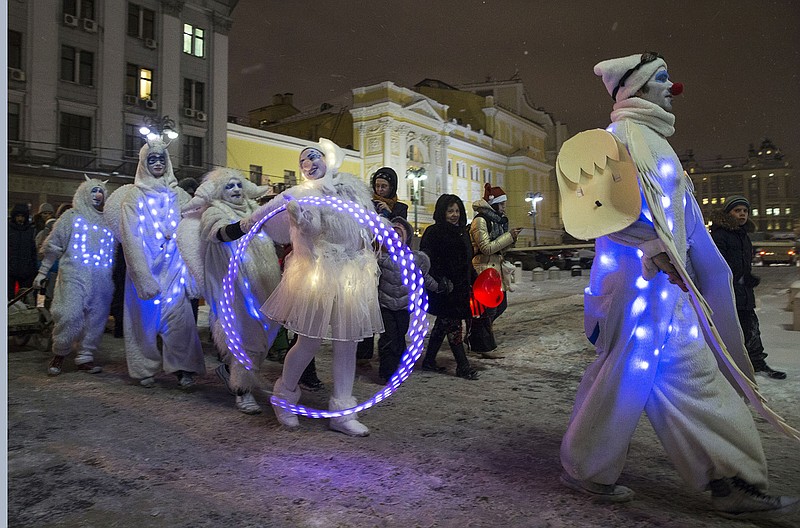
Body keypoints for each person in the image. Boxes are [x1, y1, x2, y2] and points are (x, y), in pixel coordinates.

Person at [558, 52, 798, 518]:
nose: (672, 87)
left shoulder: (656, 142)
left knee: (692, 375)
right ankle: (586, 467)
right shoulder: (617, 138)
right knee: (624, 376)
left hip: (672, 288)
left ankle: (731, 480)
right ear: (638, 88)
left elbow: (681, 218)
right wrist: (653, 248)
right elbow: (598, 215)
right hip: (636, 288)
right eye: (662, 79)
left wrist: (695, 264)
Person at [245, 138, 383, 435]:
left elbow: (368, 225)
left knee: (347, 343)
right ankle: (283, 397)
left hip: (353, 273)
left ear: (327, 160)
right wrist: (301, 219)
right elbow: (269, 216)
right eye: (302, 162)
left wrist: (382, 228)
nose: (308, 165)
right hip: (319, 274)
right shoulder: (301, 195)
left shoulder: (350, 189)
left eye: (313, 158)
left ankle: (343, 413)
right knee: (309, 340)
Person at [104, 139, 205, 389]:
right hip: (146, 268)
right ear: (144, 163)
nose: (158, 163)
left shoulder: (179, 195)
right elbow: (130, 237)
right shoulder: (133, 197)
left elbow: (192, 231)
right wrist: (141, 275)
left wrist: (192, 271)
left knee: (180, 319)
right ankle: (144, 368)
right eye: (152, 159)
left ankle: (183, 368)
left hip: (174, 269)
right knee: (142, 321)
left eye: (161, 159)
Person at [180, 168, 282, 414]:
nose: (236, 190)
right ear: (219, 192)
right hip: (232, 288)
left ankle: (231, 373)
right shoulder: (214, 211)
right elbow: (219, 233)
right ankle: (242, 391)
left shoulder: (251, 208)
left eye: (238, 185)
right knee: (242, 336)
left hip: (261, 286)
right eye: (229, 186)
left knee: (261, 337)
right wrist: (244, 225)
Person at [34, 177, 115, 375]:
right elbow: (53, 245)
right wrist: (43, 272)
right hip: (73, 275)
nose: (97, 195)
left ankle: (85, 356)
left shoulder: (110, 221)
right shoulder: (71, 217)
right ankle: (59, 353)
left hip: (102, 278)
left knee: (96, 319)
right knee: (69, 315)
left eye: (101, 191)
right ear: (84, 194)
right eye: (93, 191)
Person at [711, 196, 786, 379]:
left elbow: (745, 264)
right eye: (737, 210)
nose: (742, 214)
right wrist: (741, 278)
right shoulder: (720, 235)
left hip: (744, 292)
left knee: (752, 328)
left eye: (745, 211)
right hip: (728, 293)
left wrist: (747, 279)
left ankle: (757, 364)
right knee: (730, 331)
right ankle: (728, 368)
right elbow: (718, 265)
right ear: (729, 213)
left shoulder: (744, 236)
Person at [372, 216, 442, 384]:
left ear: (406, 238)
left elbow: (423, 278)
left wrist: (439, 287)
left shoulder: (413, 260)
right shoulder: (381, 259)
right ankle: (387, 372)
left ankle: (398, 368)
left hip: (403, 307)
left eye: (399, 236)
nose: (395, 239)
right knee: (388, 338)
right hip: (386, 306)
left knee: (399, 337)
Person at [419, 194, 479, 380]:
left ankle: (429, 360)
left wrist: (475, 279)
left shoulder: (462, 232)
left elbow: (467, 261)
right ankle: (463, 366)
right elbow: (427, 260)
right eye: (450, 210)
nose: (454, 215)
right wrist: (440, 279)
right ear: (442, 212)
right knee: (453, 325)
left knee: (442, 324)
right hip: (444, 288)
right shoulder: (434, 232)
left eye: (457, 211)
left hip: (460, 287)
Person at [357, 167, 409, 364]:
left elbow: (401, 229)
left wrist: (387, 213)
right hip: (370, 259)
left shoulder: (400, 207)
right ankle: (364, 351)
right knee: (368, 305)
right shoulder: (367, 204)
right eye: (377, 185)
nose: (380, 189)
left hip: (390, 263)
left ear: (392, 187)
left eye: (384, 186)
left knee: (388, 308)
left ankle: (392, 351)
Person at [468, 183, 521, 358]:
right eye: (502, 203)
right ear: (494, 203)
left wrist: (512, 239)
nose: (504, 207)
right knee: (487, 310)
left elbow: (499, 249)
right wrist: (508, 237)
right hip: (483, 269)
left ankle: (476, 337)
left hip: (495, 268)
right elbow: (486, 248)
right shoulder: (480, 220)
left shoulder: (496, 221)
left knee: (500, 306)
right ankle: (483, 346)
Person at [8, 203, 37, 303]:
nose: (20, 219)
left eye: (22, 216)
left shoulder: (30, 231)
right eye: (18, 216)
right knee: (9, 298)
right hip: (10, 270)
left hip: (26, 271)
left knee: (25, 299)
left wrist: (33, 268)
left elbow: (33, 251)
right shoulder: (8, 229)